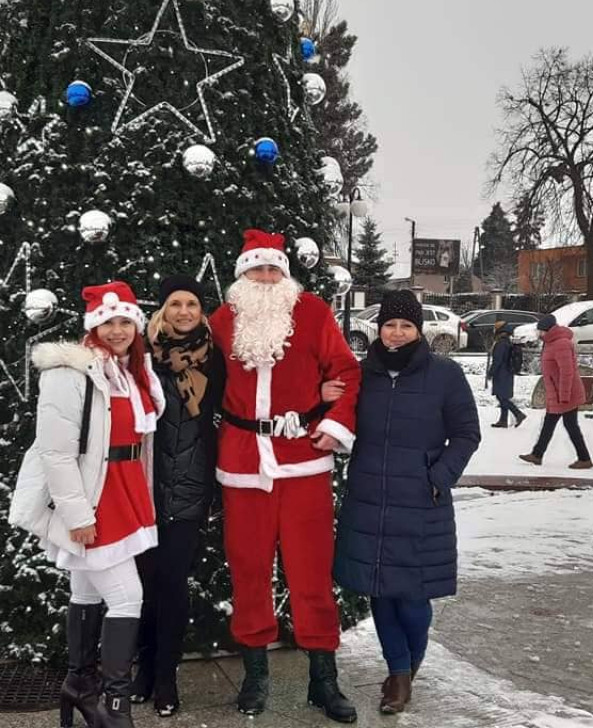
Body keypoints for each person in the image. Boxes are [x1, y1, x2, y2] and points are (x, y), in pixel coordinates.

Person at [210, 229, 362, 723]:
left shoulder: (314, 313)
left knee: (311, 573)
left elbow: (349, 372)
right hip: (242, 464)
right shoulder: (221, 322)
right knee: (249, 570)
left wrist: (333, 421)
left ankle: (324, 678)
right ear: (242, 276)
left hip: (303, 464)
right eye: (258, 269)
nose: (268, 277)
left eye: (275, 269)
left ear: (286, 274)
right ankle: (256, 675)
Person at [9, 281, 166, 728]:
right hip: (95, 497)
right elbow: (55, 453)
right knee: (127, 597)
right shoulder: (70, 370)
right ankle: (115, 703)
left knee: (86, 591)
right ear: (93, 326)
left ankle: (79, 684)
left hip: (125, 489)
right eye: (108, 322)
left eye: (126, 322)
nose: (118, 330)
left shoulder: (130, 371)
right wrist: (77, 515)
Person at [333, 290, 481, 715]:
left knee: (414, 598)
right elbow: (340, 417)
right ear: (378, 329)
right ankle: (398, 674)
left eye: (406, 326)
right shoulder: (364, 374)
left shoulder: (444, 375)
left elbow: (467, 434)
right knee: (380, 592)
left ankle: (407, 667)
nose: (396, 334)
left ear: (420, 330)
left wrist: (437, 477)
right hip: (370, 500)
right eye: (390, 325)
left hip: (420, 502)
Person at [129, 275, 226, 717]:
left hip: (189, 488)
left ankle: (166, 676)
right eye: (174, 303)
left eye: (191, 303)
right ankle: (143, 668)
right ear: (161, 311)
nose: (183, 311)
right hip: (142, 488)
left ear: (202, 311)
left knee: (172, 583)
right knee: (143, 585)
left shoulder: (215, 360)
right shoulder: (140, 357)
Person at [519, 314, 593, 470]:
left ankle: (584, 459)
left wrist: (564, 395)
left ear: (548, 330)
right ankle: (537, 455)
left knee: (570, 426)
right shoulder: (551, 343)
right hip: (557, 392)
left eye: (540, 331)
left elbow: (567, 372)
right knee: (551, 424)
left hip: (565, 394)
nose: (538, 334)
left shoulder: (561, 344)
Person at [487, 320, 526, 428]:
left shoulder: (501, 343)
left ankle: (518, 414)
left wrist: (491, 372)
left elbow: (497, 360)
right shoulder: (507, 342)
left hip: (501, 373)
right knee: (503, 396)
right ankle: (503, 420)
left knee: (502, 397)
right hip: (507, 372)